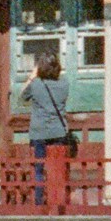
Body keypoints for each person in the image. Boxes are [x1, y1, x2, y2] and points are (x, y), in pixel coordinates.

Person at [23, 53, 73, 203]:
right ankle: (58, 200)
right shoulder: (64, 83)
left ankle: (39, 200)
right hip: (58, 130)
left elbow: (22, 96)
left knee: (38, 168)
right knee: (57, 167)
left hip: (39, 132)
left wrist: (32, 76)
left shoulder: (36, 84)